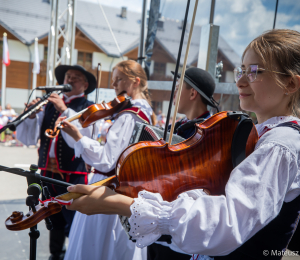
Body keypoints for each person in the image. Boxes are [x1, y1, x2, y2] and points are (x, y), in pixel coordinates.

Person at [65, 29, 300, 260]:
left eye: (254, 71)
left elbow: (227, 222)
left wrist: (125, 204)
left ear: (290, 84)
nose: (239, 81)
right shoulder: (261, 136)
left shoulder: (279, 145)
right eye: (242, 70)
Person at [57, 60, 153, 260]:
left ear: (135, 82)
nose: (113, 85)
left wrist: (78, 137)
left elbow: (108, 161)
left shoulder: (130, 116)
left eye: (118, 79)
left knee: (97, 247)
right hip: (122, 189)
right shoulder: (144, 113)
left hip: (107, 188)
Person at [16, 64, 97, 260]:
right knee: (53, 216)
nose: (69, 79)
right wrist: (32, 115)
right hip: (47, 172)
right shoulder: (49, 106)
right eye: (67, 76)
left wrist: (64, 109)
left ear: (85, 84)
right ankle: (56, 254)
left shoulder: (87, 107)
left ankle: (75, 254)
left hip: (73, 174)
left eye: (75, 77)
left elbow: (84, 138)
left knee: (74, 219)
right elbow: (29, 138)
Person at [149, 67, 218, 260]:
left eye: (178, 88)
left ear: (193, 93)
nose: (174, 94)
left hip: (181, 224)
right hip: (159, 219)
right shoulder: (175, 127)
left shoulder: (209, 132)